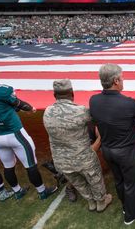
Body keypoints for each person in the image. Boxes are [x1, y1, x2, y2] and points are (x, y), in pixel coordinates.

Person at [0, 62, 57, 200]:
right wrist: (30, 109)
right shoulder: (1, 90)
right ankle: (42, 191)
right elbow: (19, 104)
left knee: (8, 166)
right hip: (15, 133)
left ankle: (17, 191)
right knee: (30, 164)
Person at [43, 79, 112, 212]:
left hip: (61, 160)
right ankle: (101, 202)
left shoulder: (47, 112)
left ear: (54, 95)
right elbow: (98, 119)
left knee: (78, 183)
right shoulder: (80, 111)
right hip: (83, 157)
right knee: (94, 179)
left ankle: (91, 202)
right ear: (72, 93)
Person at [89, 63, 135, 225]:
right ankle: (131, 215)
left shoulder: (94, 100)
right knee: (131, 183)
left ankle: (126, 207)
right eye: (122, 77)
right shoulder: (129, 103)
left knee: (118, 180)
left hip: (107, 150)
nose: (123, 80)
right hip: (126, 151)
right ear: (116, 81)